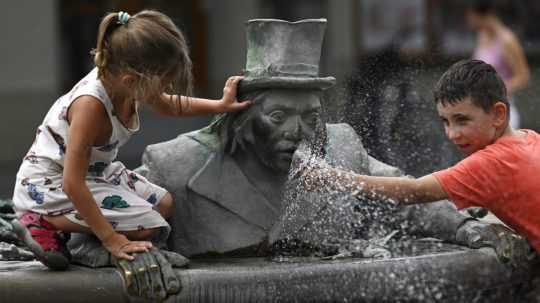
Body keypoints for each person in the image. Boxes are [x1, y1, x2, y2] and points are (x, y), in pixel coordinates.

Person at [11, 10, 250, 270]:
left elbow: (167, 105)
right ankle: (41, 222)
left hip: (96, 172)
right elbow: (72, 182)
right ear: (131, 80)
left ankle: (79, 232)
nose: (164, 91)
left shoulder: (124, 82)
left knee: (164, 205)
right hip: (50, 184)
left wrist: (220, 105)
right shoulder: (90, 106)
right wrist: (113, 240)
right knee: (149, 226)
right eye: (163, 84)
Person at [296, 59, 538, 258]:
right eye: (445, 121)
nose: (452, 134)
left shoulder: (490, 163)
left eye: (462, 120)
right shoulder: (530, 138)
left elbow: (414, 191)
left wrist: (331, 177)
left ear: (498, 114)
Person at [466, 0, 530, 129]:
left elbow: (523, 76)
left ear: (481, 15)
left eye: (471, 17)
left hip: (501, 111)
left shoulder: (507, 41)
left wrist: (496, 89)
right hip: (481, 109)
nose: (469, 21)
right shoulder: (482, 35)